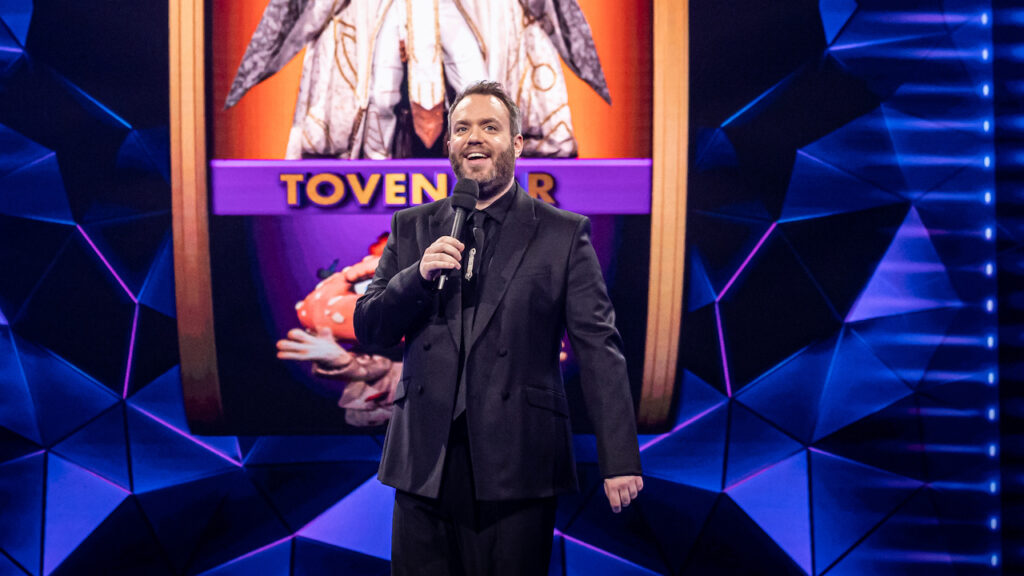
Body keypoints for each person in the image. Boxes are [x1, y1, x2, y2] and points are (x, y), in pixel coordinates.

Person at [353, 80, 642, 575]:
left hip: (519, 464)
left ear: (517, 143)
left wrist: (619, 459)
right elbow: (370, 327)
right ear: (449, 144)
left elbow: (599, 349)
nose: (475, 138)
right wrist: (417, 276)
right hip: (423, 464)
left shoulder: (563, 233)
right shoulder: (412, 227)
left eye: (490, 127)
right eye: (462, 128)